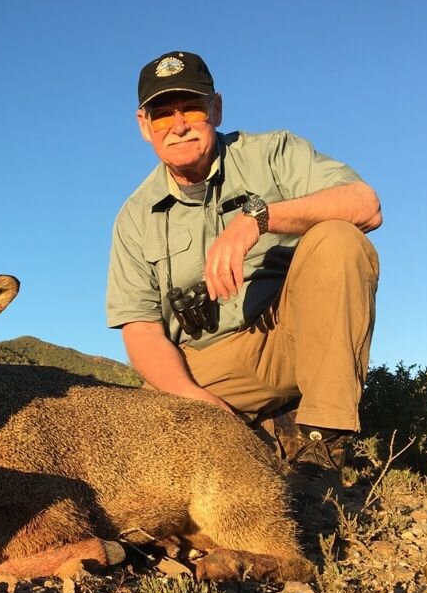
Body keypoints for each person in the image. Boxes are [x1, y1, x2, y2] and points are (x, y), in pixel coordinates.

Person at [106, 51, 382, 480]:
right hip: (209, 362)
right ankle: (267, 429)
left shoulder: (272, 152)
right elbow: (140, 329)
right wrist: (197, 401)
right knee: (140, 438)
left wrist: (258, 218)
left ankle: (321, 448)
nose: (178, 126)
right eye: (162, 115)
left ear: (215, 108)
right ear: (144, 126)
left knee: (340, 239)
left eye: (192, 108)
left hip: (292, 336)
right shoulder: (133, 218)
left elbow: (366, 205)